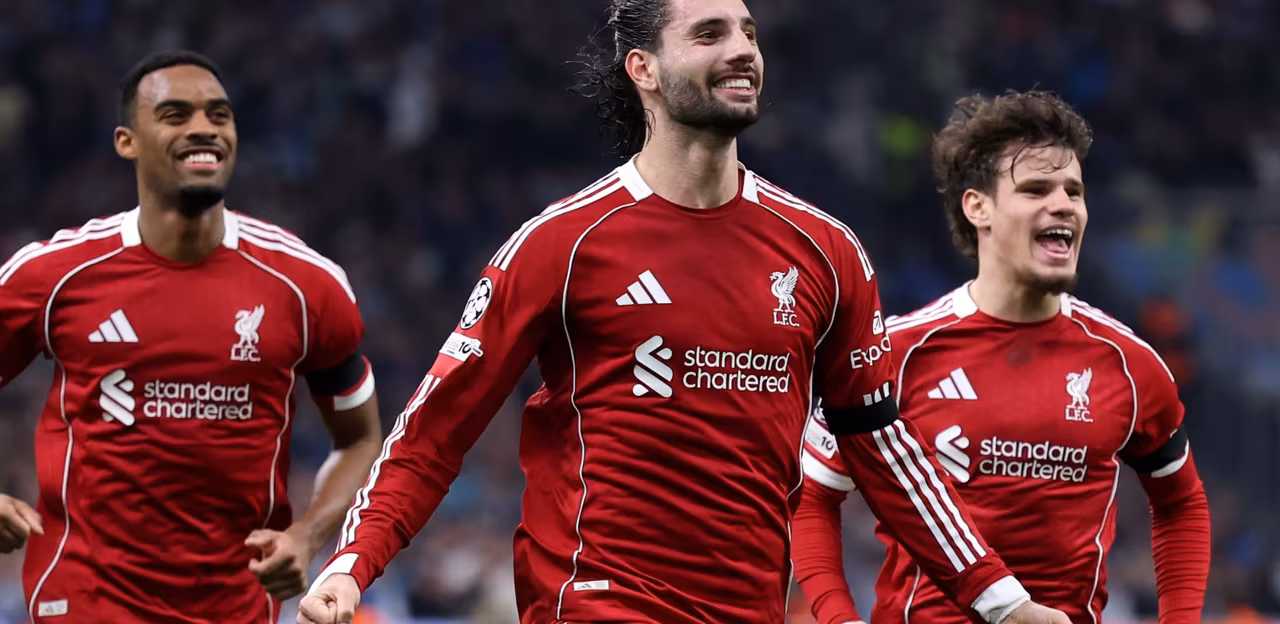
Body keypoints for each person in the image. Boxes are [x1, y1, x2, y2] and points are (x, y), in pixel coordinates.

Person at [300, 2, 1069, 623]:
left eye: (749, 32)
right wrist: (352, 565)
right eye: (710, 34)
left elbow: (881, 447)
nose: (742, 50)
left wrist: (1000, 601)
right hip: (595, 603)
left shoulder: (825, 252)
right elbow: (434, 432)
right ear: (645, 71)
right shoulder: (563, 244)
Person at [792, 90, 1211, 624]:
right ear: (978, 207)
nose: (1063, 204)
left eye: (1074, 191)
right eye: (1036, 189)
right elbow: (813, 495)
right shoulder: (895, 353)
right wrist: (836, 616)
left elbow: (1181, 502)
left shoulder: (1129, 363)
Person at [0, 50, 384, 622]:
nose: (204, 128)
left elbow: (360, 438)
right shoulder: (55, 275)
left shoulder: (306, 286)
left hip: (234, 605)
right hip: (86, 597)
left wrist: (306, 537)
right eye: (175, 114)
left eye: (219, 115)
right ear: (127, 141)